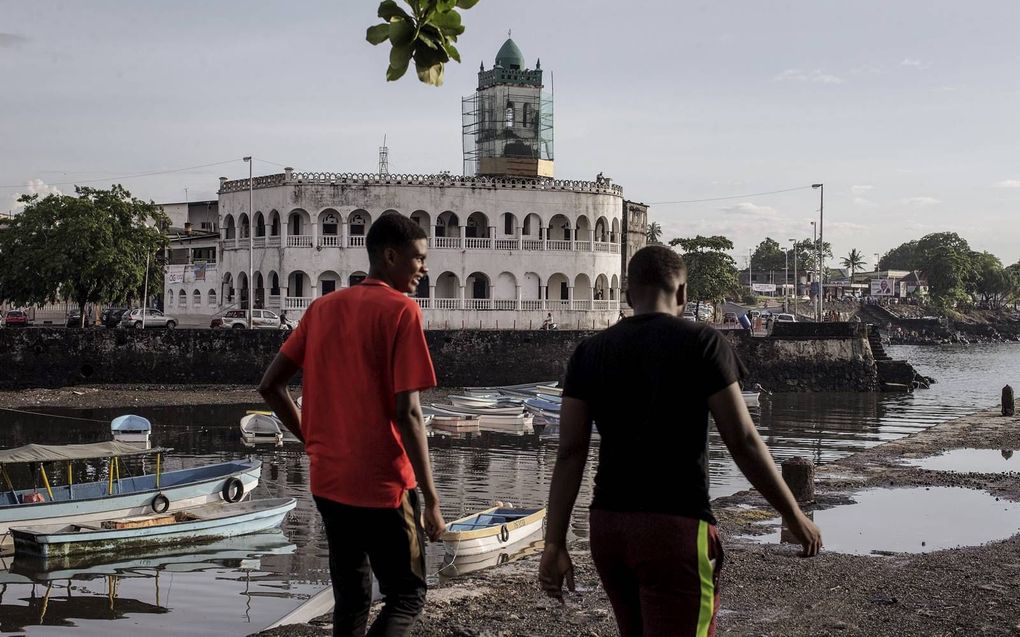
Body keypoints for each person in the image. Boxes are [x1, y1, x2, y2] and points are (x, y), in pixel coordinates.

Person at [539, 245, 821, 636]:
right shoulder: (703, 343)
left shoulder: (589, 352)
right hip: (676, 527)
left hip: (609, 527)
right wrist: (793, 515)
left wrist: (554, 543)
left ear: (627, 294)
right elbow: (741, 439)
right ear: (683, 292)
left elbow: (570, 453)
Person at [258, 213, 445, 636]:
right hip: (382, 485)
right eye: (418, 258)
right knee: (407, 595)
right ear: (391, 255)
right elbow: (408, 412)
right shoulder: (401, 311)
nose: (424, 268)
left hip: (329, 479)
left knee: (352, 597)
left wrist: (312, 439)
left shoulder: (322, 308)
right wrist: (432, 499)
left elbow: (271, 386)